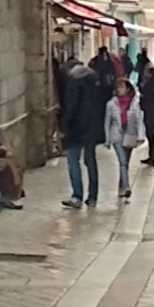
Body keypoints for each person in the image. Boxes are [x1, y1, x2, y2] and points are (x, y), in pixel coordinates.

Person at [60, 55, 107, 208]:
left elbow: (72, 106)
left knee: (73, 160)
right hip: (92, 127)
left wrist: (64, 126)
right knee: (90, 161)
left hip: (77, 128)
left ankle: (77, 196)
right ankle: (93, 196)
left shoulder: (74, 81)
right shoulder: (95, 79)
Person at [105, 75, 145, 201]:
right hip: (116, 136)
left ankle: (121, 188)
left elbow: (139, 120)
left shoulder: (134, 104)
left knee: (125, 163)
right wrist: (107, 139)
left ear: (128, 89)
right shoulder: (111, 104)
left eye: (122, 87)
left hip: (129, 135)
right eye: (118, 87)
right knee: (122, 161)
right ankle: (127, 187)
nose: (119, 89)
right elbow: (107, 122)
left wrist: (140, 136)